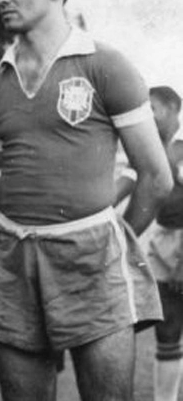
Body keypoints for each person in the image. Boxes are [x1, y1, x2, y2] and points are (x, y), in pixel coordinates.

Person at [0, 0, 172, 401]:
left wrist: (113, 243)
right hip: (14, 261)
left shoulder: (106, 66)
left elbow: (157, 175)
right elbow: (17, 175)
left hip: (92, 259)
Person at [118, 86, 183, 401]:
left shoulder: (181, 148)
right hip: (162, 239)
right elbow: (131, 182)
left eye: (153, 108)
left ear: (172, 108)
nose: (147, 115)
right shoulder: (149, 147)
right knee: (164, 322)